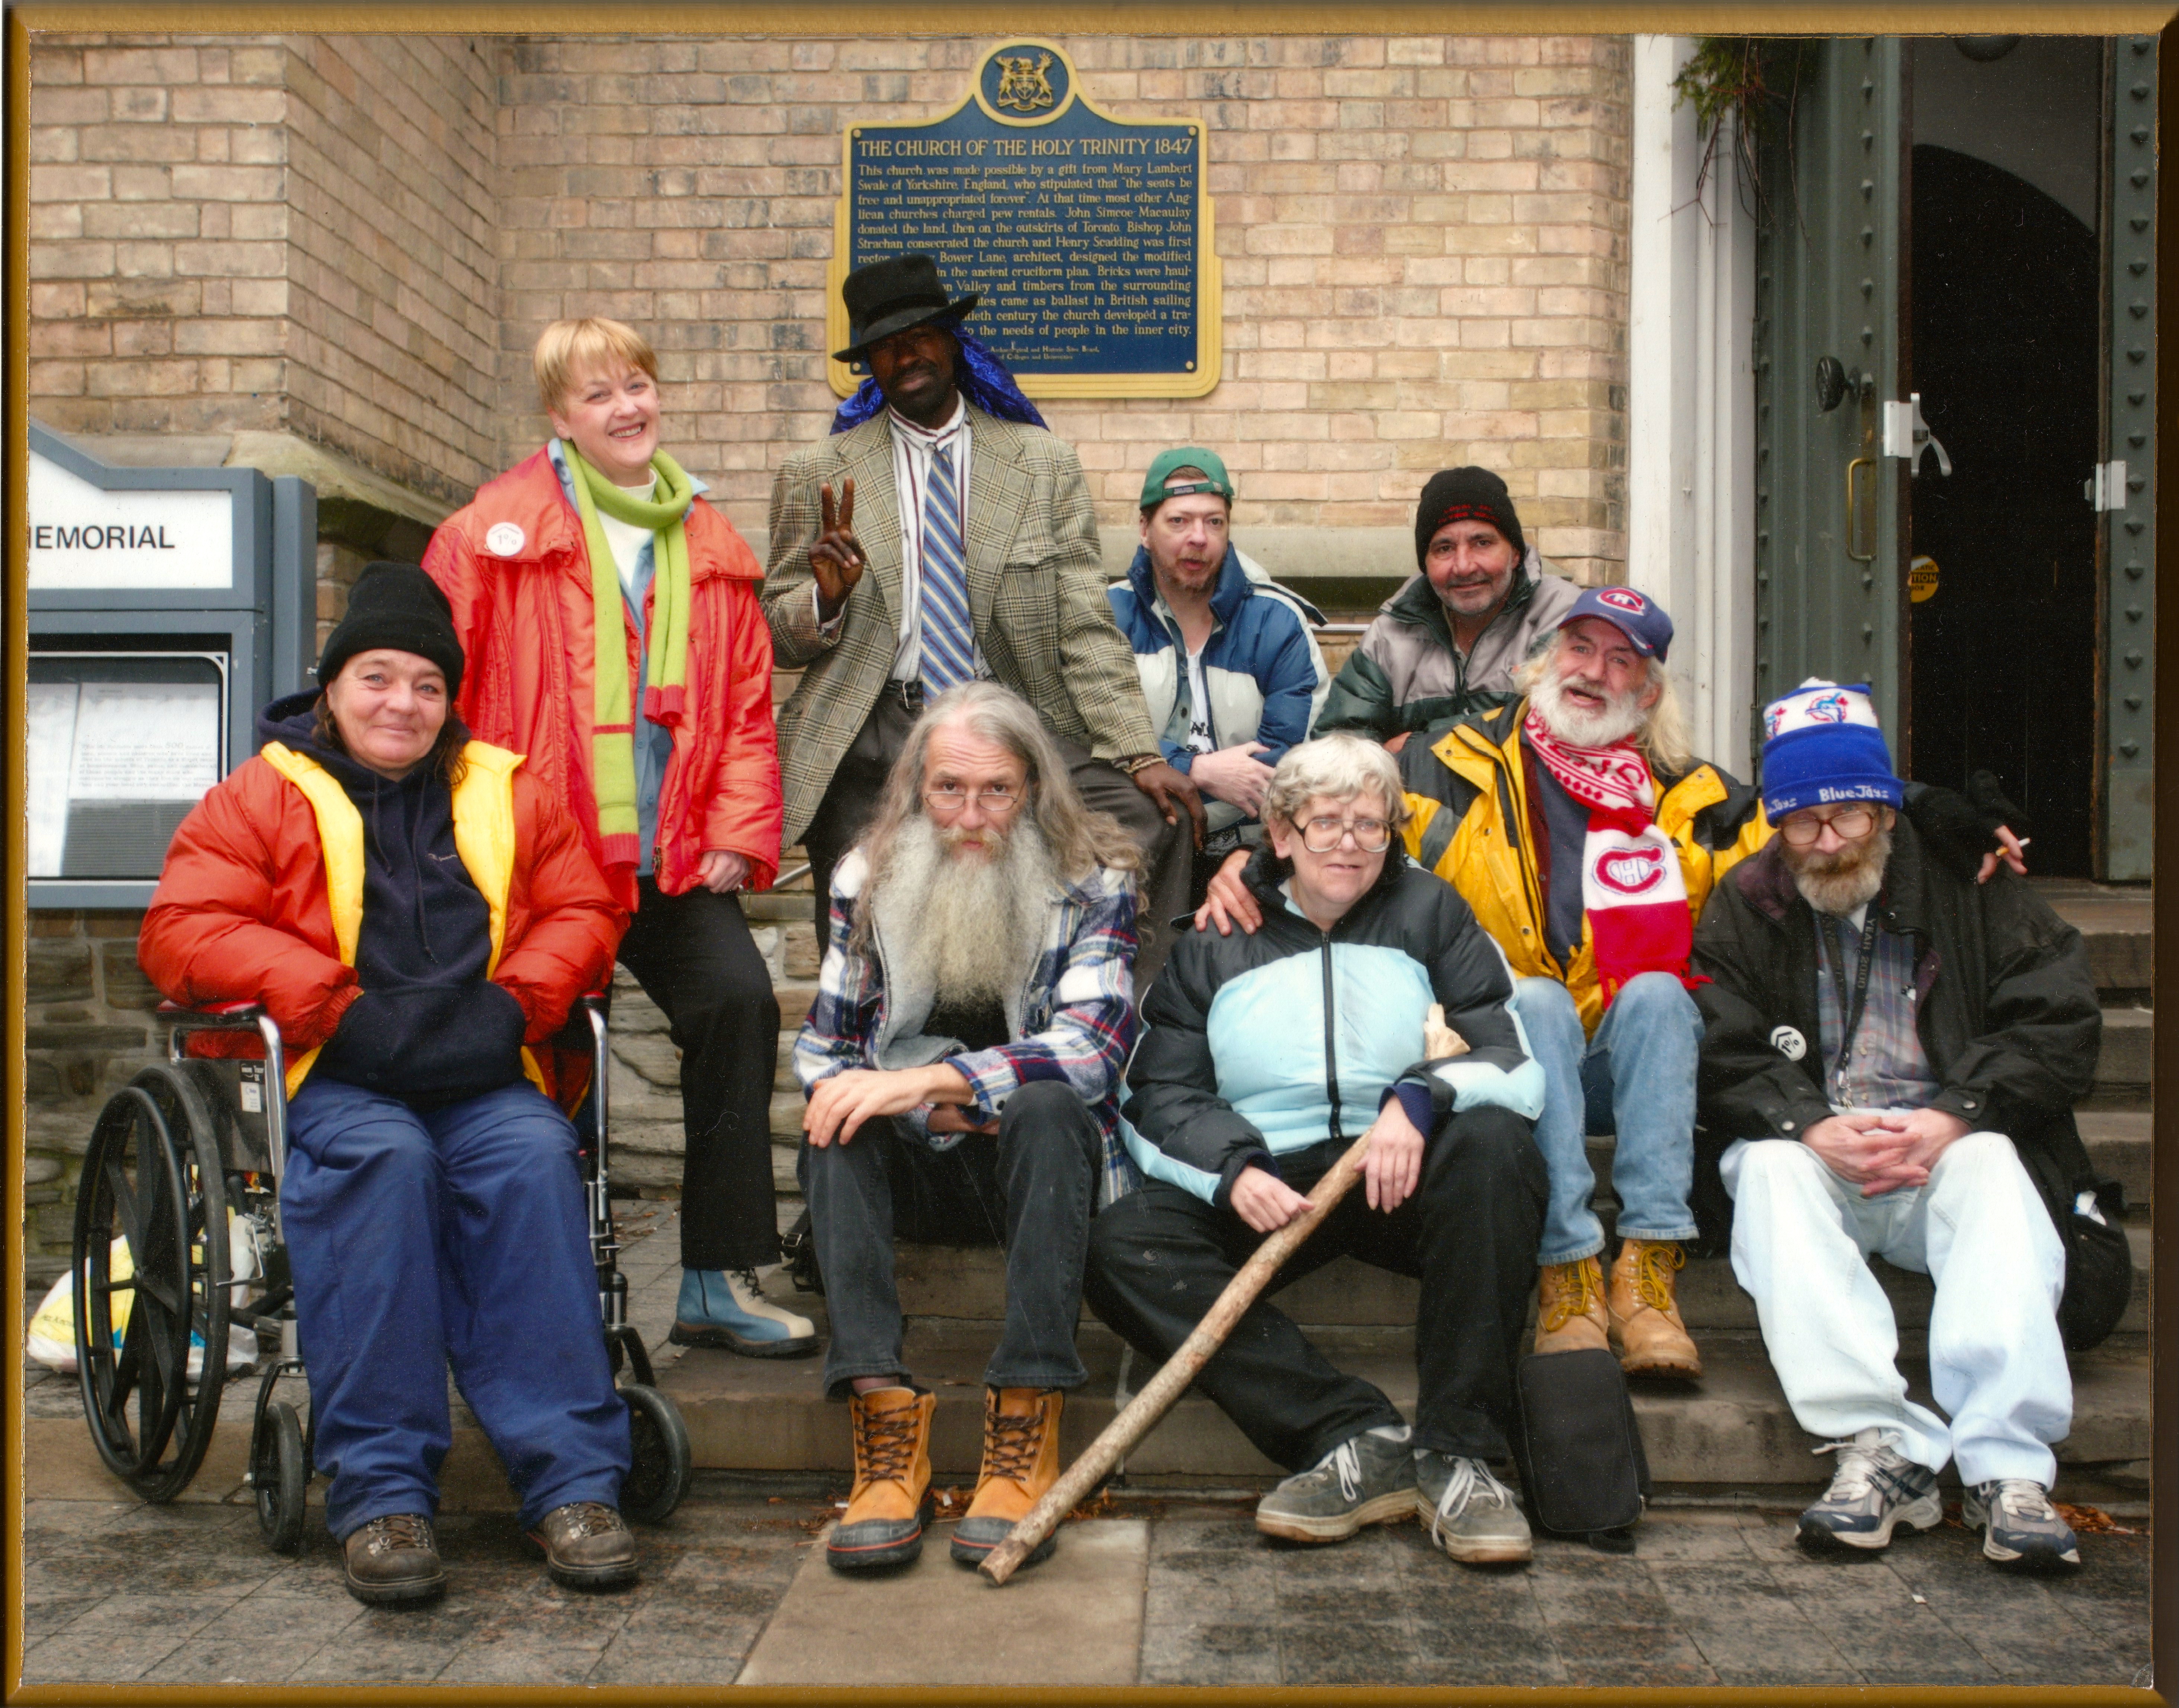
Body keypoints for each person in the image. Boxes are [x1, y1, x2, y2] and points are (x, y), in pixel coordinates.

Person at [139, 564, 635, 1605]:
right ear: (332, 687)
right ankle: (382, 1492)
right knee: (386, 1162)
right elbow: (183, 930)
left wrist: (516, 1006)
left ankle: (572, 1481)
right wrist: (329, 1001)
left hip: (481, 1067)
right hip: (341, 1069)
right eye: (377, 677)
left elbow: (579, 910)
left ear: (451, 699)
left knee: (536, 1156)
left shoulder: (507, 789)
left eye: (426, 684)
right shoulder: (262, 793)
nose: (400, 703)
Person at [1204, 588, 1755, 1379]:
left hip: (1636, 1068)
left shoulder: (1694, 794)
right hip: (1509, 1054)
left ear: (1647, 690)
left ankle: (1645, 1272)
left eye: (1619, 659)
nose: (1592, 672)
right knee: (1531, 997)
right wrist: (1248, 865)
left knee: (1661, 995)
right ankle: (1565, 1266)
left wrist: (1950, 816)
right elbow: (1327, 810)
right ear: (1544, 658)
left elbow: (1813, 830)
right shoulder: (1450, 759)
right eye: (1579, 648)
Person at [423, 318, 811, 1360]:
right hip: (542, 863)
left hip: (673, 854)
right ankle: (546, 1291)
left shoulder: (713, 546)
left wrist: (737, 828)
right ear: (558, 418)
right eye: (597, 395)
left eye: (636, 384)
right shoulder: (485, 535)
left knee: (734, 1004)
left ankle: (713, 1277)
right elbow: (438, 694)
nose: (625, 408)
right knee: (548, 1053)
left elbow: (736, 711)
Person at [1085, 735, 1550, 1565]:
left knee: (1495, 1143)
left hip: (1403, 1169)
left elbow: (1509, 1060)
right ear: (1279, 835)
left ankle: (1457, 1451)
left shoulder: (1431, 913)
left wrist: (1422, 1096)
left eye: (1368, 825)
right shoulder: (1213, 939)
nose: (1347, 843)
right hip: (1275, 1172)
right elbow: (1157, 1094)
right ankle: (1353, 1435)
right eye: (1324, 823)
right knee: (1124, 1243)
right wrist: (1232, 1168)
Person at [1693, 680, 2115, 1572]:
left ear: (1885, 807)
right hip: (1823, 1151)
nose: (1827, 842)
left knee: (1997, 1162)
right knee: (1764, 1170)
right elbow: (1721, 1042)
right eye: (1802, 822)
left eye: (1848, 816)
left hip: (1943, 1147)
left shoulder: (1972, 881)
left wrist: (1954, 1113)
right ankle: (1880, 1445)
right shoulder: (1747, 898)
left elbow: (2059, 1020)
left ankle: (2007, 1466)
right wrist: (1804, 1121)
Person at [763, 252, 1204, 992]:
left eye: (920, 336)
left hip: (1013, 719)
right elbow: (776, 635)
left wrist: (1136, 749)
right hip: (875, 730)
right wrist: (826, 600)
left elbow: (1084, 627)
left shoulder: (1039, 465)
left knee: (1153, 816)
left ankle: (1122, 1034)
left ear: (952, 340)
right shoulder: (816, 474)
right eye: (885, 346)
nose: (904, 357)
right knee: (859, 914)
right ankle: (869, 1090)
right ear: (869, 362)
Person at [793, 682, 1140, 1575]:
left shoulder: (1093, 880)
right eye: (948, 788)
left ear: (1034, 789)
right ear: (915, 788)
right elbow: (825, 1050)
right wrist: (908, 1099)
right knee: (835, 1116)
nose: (971, 815)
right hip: (920, 1165)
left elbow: (1092, 1049)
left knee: (1051, 1103)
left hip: (1034, 1173)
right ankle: (881, 1422)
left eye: (998, 791)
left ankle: (1026, 1414)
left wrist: (939, 1081)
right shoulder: (865, 877)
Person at [1105, 447, 1330, 903]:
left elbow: (1294, 756)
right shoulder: (1108, 615)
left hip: (1253, 847)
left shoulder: (1276, 620)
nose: (1198, 538)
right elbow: (1084, 735)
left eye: (1214, 522)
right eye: (1178, 521)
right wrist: (1197, 769)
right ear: (1145, 531)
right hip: (1128, 843)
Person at [1313, 466, 1578, 747]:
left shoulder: (1562, 613)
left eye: (1482, 543)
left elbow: (1560, 729)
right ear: (1425, 565)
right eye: (1444, 548)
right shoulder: (1390, 633)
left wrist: (1418, 746)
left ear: (1515, 554)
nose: (1463, 566)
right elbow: (1337, 740)